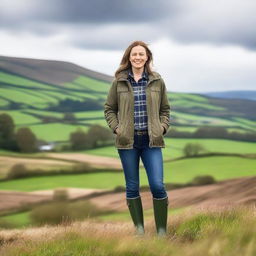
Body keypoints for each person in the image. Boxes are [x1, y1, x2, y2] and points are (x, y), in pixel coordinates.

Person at [104, 41, 170, 236]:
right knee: (132, 187)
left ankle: (161, 234)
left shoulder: (157, 81)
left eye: (141, 54)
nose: (138, 57)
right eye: (134, 54)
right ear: (129, 57)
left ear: (147, 57)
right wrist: (117, 128)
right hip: (127, 143)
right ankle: (140, 233)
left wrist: (162, 127)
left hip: (151, 141)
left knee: (157, 186)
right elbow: (109, 109)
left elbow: (165, 109)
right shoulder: (119, 82)